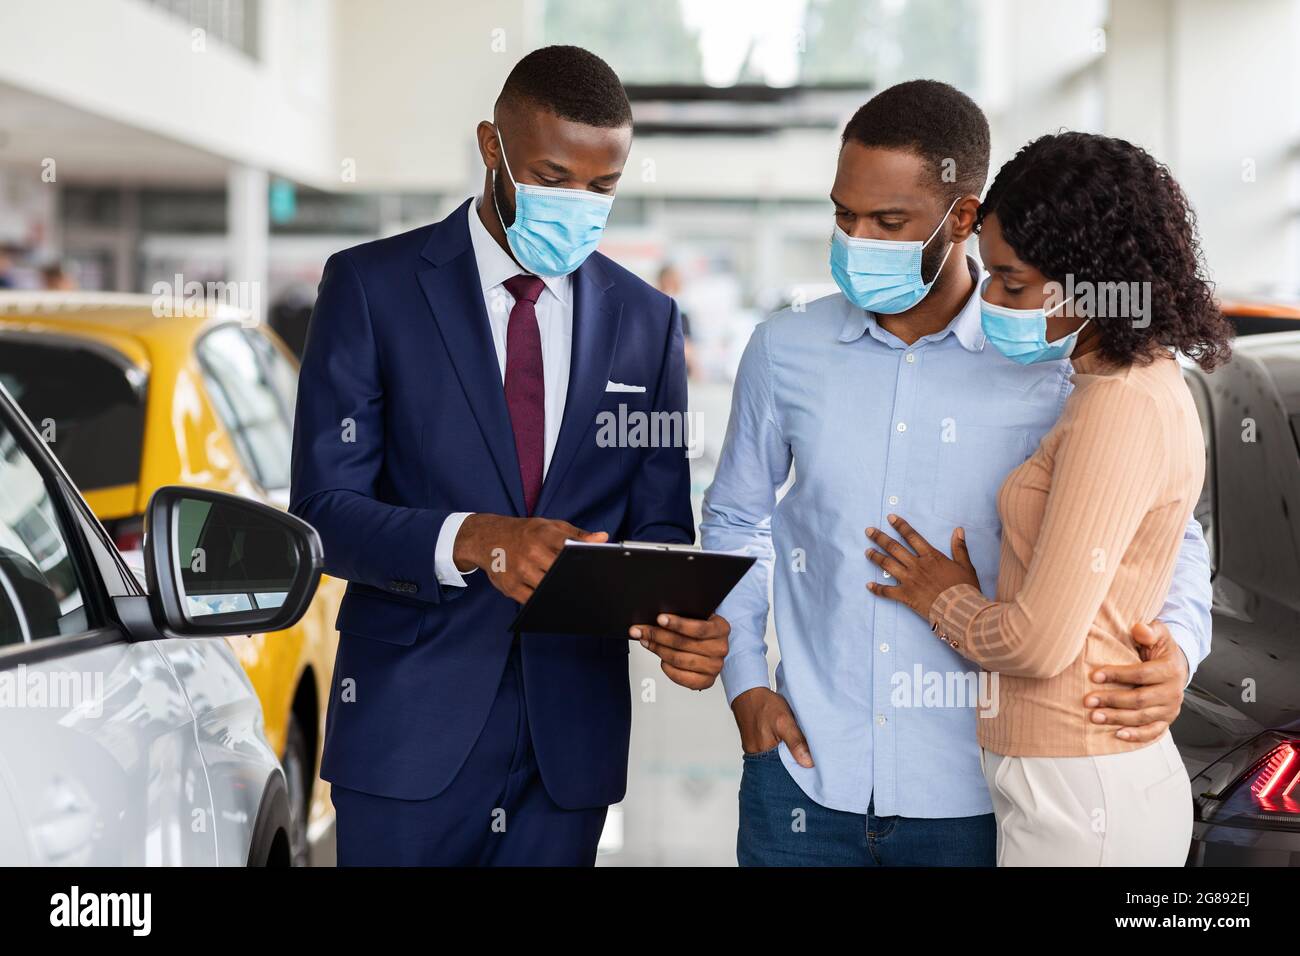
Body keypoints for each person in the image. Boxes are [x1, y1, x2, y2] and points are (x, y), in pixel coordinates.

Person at [701, 80, 1213, 867]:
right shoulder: (785, 350)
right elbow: (738, 519)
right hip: (804, 778)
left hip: (981, 796)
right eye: (844, 215)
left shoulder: (1057, 360)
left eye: (890, 221)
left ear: (963, 217)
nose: (857, 239)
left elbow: (1169, 534)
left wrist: (1175, 646)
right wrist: (745, 685)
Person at [291, 45, 729, 867]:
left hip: (569, 748)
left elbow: (661, 522)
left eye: (603, 188)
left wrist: (681, 618)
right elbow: (322, 515)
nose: (579, 203)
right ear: (491, 147)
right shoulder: (371, 288)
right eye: (552, 176)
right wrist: (478, 538)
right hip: (405, 732)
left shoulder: (648, 322)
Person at [865, 132, 1232, 865]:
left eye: (1011, 281)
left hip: (1079, 791)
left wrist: (945, 597)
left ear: (1089, 280)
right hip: (1065, 779)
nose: (992, 300)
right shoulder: (1113, 386)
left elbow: (1037, 642)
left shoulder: (1119, 406)